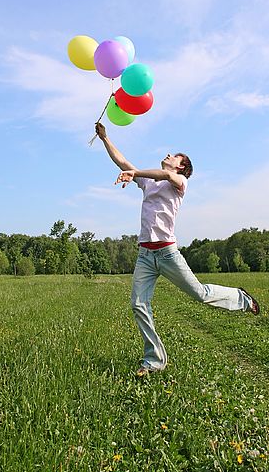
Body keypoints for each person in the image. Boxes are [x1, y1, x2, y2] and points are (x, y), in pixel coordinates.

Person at [95, 121, 260, 376]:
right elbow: (122, 161)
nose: (168, 156)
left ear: (181, 166)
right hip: (145, 255)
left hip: (168, 253)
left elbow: (163, 175)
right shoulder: (148, 182)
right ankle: (154, 360)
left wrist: (135, 173)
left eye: (174, 156)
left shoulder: (179, 181)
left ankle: (242, 299)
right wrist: (105, 138)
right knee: (139, 304)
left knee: (200, 294)